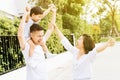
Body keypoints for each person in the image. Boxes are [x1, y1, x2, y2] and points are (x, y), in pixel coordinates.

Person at [17, 4, 56, 80]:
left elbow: (50, 28)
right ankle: (31, 59)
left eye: (42, 35)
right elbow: (20, 35)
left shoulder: (40, 41)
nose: (41, 38)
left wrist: (52, 11)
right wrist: (26, 13)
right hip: (27, 39)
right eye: (39, 36)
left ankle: (48, 54)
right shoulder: (27, 46)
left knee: (42, 44)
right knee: (32, 46)